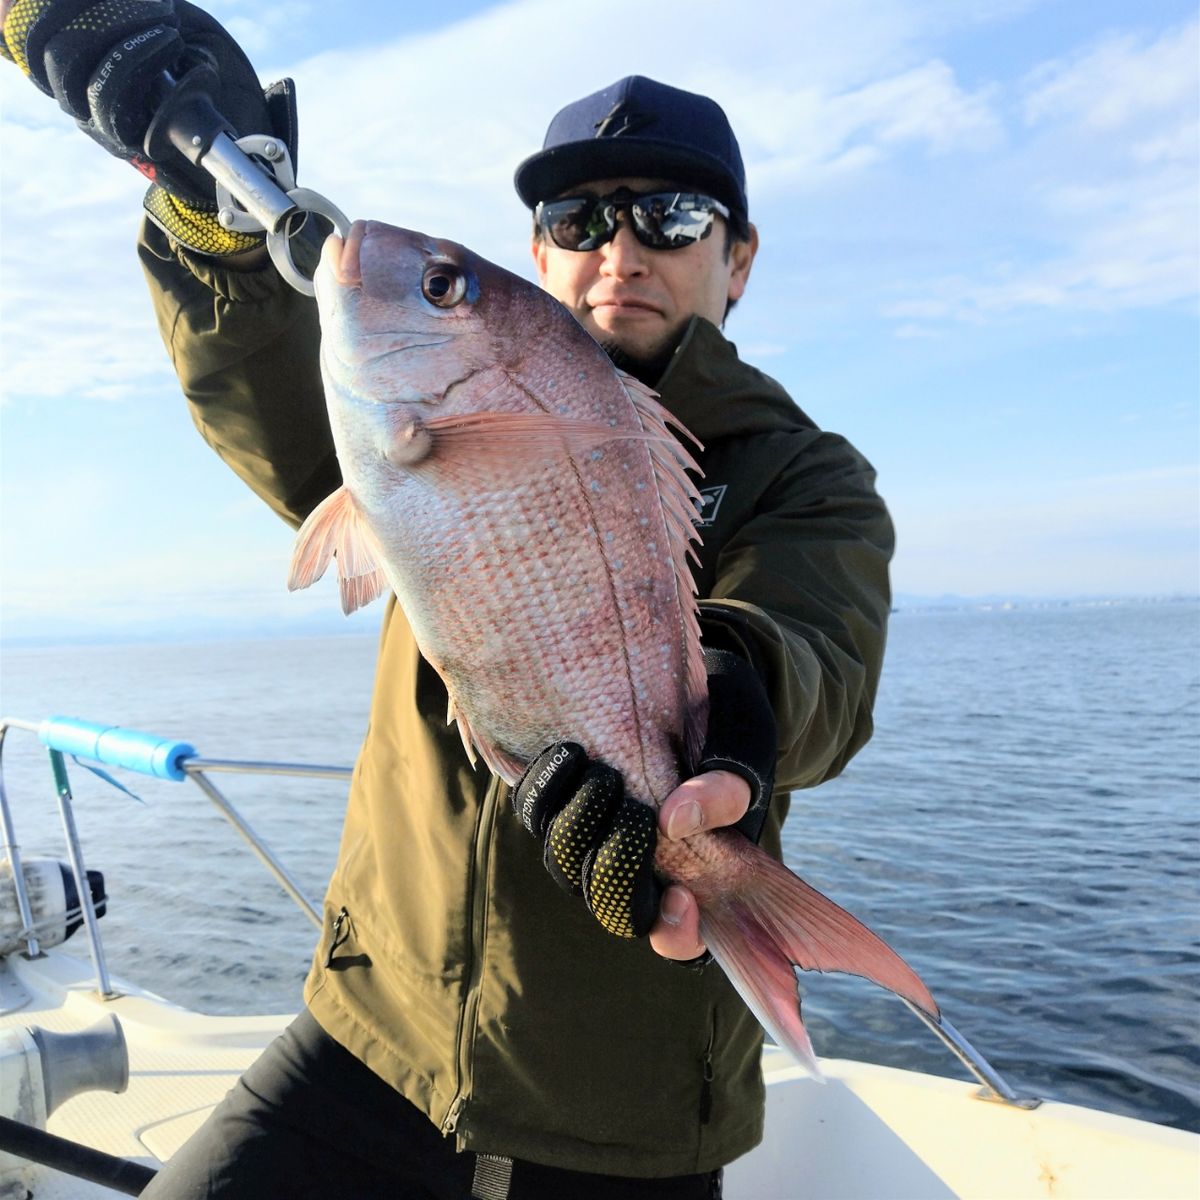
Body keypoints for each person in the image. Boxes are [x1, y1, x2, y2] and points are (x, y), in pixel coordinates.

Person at [3, 6, 894, 1197]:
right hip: (374, 1034)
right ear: (538, 256)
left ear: (738, 260)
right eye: (578, 219)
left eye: (673, 218)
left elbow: (816, 642)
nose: (620, 251)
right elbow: (279, 406)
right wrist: (205, 213)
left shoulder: (803, 474)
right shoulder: (413, 407)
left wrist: (733, 701)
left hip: (630, 1111)